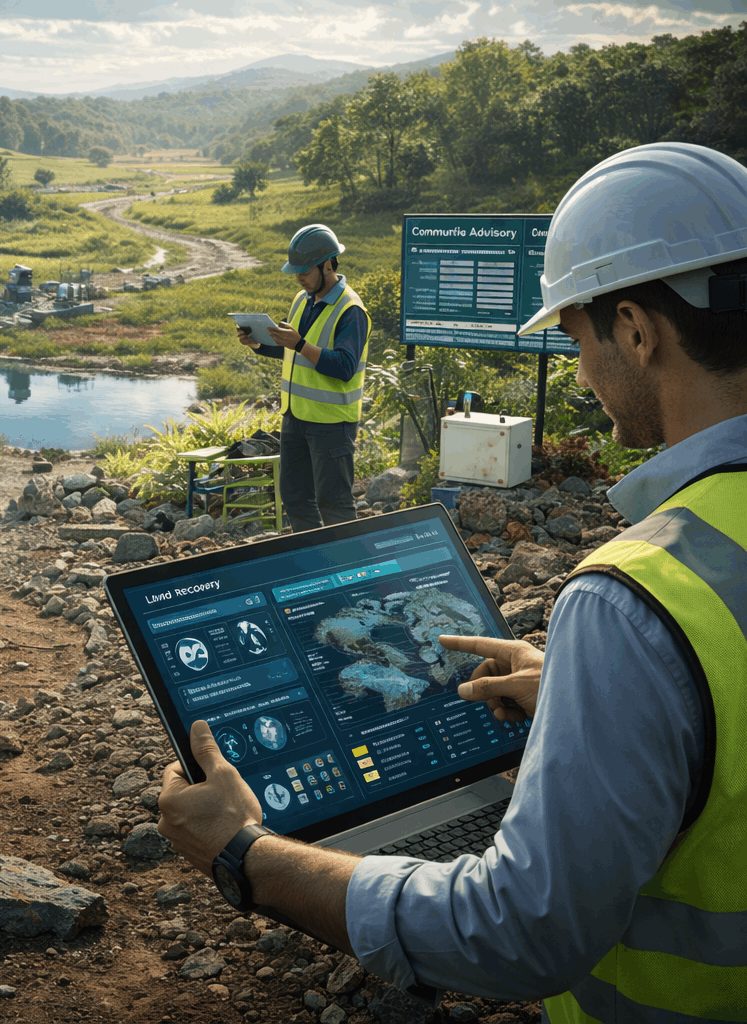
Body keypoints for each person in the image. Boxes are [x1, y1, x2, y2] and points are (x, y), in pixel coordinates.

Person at [158, 141, 747, 1021]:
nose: (582, 372)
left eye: (578, 337)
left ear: (635, 327)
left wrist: (248, 854)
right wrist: (612, 697)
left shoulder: (635, 599)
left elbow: (520, 935)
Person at [237, 224, 371, 532]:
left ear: (327, 265)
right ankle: (315, 562)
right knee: (295, 498)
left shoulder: (351, 311)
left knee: (333, 503)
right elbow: (294, 353)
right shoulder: (302, 299)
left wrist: (299, 343)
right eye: (295, 271)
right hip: (295, 418)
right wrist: (258, 344)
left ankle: (350, 572)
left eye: (304, 271)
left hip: (332, 423)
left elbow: (344, 366)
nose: (298, 277)